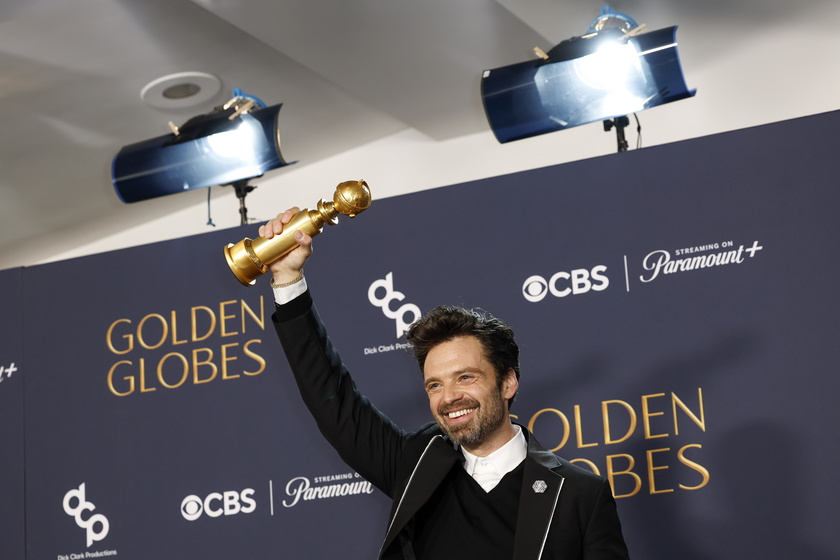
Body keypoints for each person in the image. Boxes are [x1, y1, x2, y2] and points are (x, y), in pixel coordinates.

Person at [260, 208, 630, 560]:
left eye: (465, 377)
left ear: (508, 382)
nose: (450, 397)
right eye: (434, 385)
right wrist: (287, 279)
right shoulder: (415, 465)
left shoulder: (580, 495)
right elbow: (334, 402)